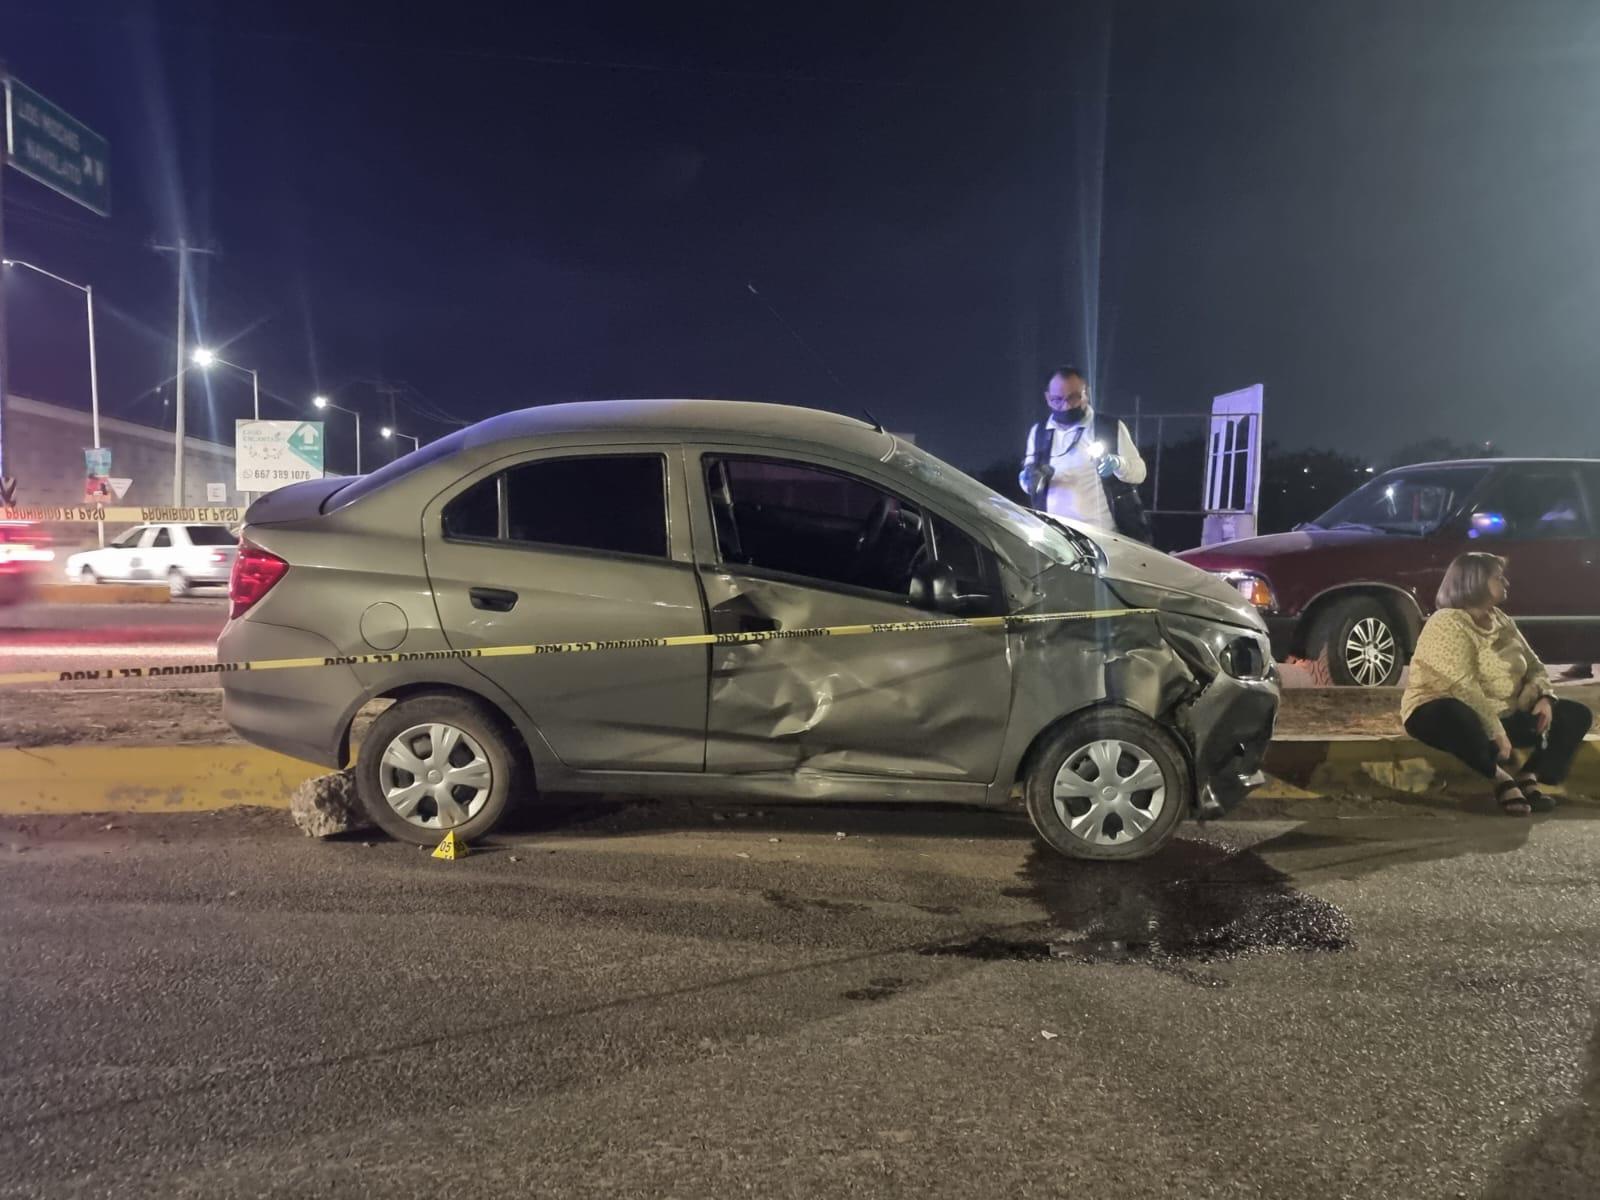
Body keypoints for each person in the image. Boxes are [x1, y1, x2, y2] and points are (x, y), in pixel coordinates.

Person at [1401, 552, 1593, 815]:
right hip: (1444, 713)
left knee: (1576, 715)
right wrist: (1496, 733)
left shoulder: (1501, 619)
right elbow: (1463, 685)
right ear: (1475, 581)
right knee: (1457, 714)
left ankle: (1529, 776)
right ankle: (1500, 778)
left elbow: (1535, 666)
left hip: (1506, 712)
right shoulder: (1447, 622)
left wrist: (1545, 698)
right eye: (1499, 577)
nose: (1507, 583)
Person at [1018, 366, 1150, 541]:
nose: (1065, 406)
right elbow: (1027, 481)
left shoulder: (1109, 427)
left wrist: (1118, 464)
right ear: (1048, 398)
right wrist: (1029, 479)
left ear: (1086, 393)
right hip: (1056, 540)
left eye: (1073, 398)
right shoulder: (1039, 432)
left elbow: (1139, 472)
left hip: (1107, 539)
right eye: (1057, 399)